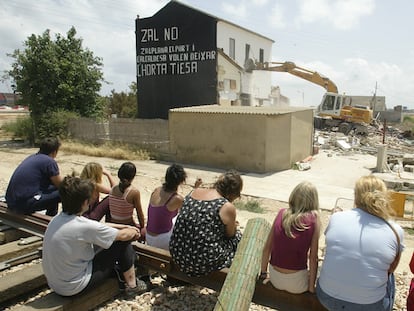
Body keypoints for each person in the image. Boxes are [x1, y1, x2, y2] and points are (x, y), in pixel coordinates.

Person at [42, 176, 147, 296]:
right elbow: (123, 236)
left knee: (109, 240)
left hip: (55, 284)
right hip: (74, 286)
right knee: (122, 242)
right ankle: (133, 285)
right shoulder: (83, 227)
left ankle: (122, 275)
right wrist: (132, 231)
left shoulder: (56, 220)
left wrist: (122, 227)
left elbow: (96, 226)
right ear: (85, 202)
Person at [316, 175, 404, 311]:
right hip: (369, 305)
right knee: (390, 278)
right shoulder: (395, 230)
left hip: (327, 296)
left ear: (356, 196)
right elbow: (391, 269)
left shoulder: (337, 218)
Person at [169, 169, 243, 277]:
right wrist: (233, 226)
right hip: (202, 261)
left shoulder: (193, 192)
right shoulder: (226, 206)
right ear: (234, 193)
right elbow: (230, 235)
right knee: (238, 238)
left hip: (178, 253)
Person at [260, 181, 320, 294]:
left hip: (275, 278)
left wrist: (263, 273)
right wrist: (311, 287)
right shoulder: (313, 219)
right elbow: (313, 258)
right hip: (297, 283)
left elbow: (267, 247)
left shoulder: (281, 213)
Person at [146, 164, 202, 250]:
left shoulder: (157, 190)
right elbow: (190, 205)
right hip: (161, 240)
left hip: (148, 237)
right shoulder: (176, 199)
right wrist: (196, 188)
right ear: (181, 181)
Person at [5, 137, 62, 216]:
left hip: (11, 201)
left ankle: (50, 217)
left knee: (52, 187)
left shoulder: (32, 157)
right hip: (22, 205)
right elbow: (61, 185)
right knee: (63, 192)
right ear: (55, 152)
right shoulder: (49, 161)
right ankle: (53, 220)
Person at [108, 162, 145, 238]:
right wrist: (142, 227)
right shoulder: (134, 192)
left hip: (113, 225)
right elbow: (139, 213)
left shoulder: (113, 189)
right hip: (127, 226)